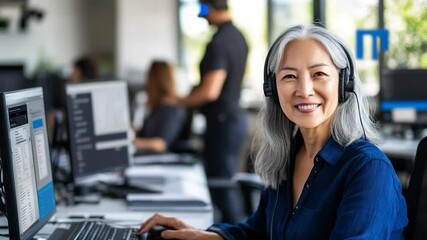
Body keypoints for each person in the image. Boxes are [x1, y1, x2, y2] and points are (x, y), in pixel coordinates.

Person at [138, 24, 408, 239]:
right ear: (273, 90)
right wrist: (203, 235)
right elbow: (258, 231)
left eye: (319, 74)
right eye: (289, 76)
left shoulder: (368, 169)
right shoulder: (288, 157)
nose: (304, 89)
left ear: (344, 84)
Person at [165, 0, 249, 223]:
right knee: (226, 184)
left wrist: (179, 101)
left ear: (211, 7)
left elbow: (210, 91)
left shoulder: (219, 42)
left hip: (223, 123)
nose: (200, 16)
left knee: (222, 187)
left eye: (202, 10)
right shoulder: (238, 36)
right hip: (233, 120)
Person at [134, 60, 187, 153]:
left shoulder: (171, 109)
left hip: (162, 158)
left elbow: (160, 144)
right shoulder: (158, 107)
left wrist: (133, 142)